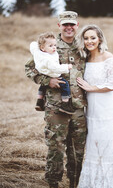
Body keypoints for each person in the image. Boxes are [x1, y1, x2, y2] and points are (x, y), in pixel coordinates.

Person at [25, 11, 87, 188]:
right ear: (59, 25)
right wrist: (47, 80)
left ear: (76, 25)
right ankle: (53, 183)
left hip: (78, 106)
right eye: (65, 24)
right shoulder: (48, 45)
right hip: (56, 107)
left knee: (78, 150)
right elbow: (30, 68)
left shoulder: (83, 46)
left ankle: (75, 183)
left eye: (72, 24)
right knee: (56, 147)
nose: (69, 27)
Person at [76, 24, 113, 188]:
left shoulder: (107, 56)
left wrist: (91, 88)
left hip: (107, 108)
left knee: (106, 146)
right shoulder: (84, 59)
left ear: (100, 39)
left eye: (93, 38)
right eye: (86, 38)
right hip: (91, 110)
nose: (89, 41)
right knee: (93, 147)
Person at [30, 31, 75, 114]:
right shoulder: (48, 59)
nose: (54, 48)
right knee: (64, 84)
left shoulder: (38, 51)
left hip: (44, 72)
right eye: (50, 46)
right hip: (53, 76)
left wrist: (38, 45)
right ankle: (65, 104)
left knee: (42, 87)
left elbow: (32, 45)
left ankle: (39, 100)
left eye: (55, 45)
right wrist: (67, 67)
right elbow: (56, 68)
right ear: (42, 48)